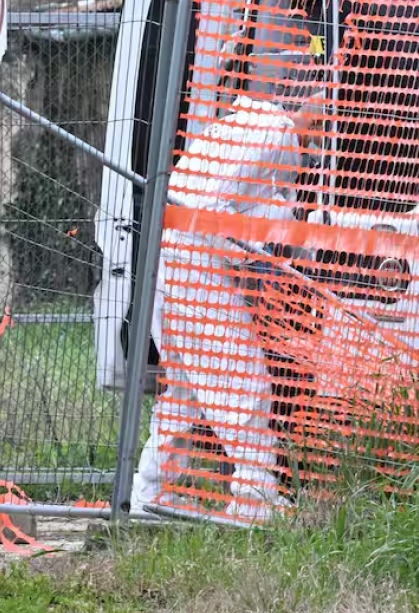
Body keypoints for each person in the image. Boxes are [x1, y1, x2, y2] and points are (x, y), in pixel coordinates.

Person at [130, 89, 329, 522]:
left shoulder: (251, 126)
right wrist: (257, 248)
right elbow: (209, 208)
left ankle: (152, 492)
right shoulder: (274, 137)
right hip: (194, 265)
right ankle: (255, 497)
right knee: (246, 381)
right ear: (315, 118)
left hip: (172, 262)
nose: (319, 155)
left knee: (182, 392)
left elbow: (240, 204)